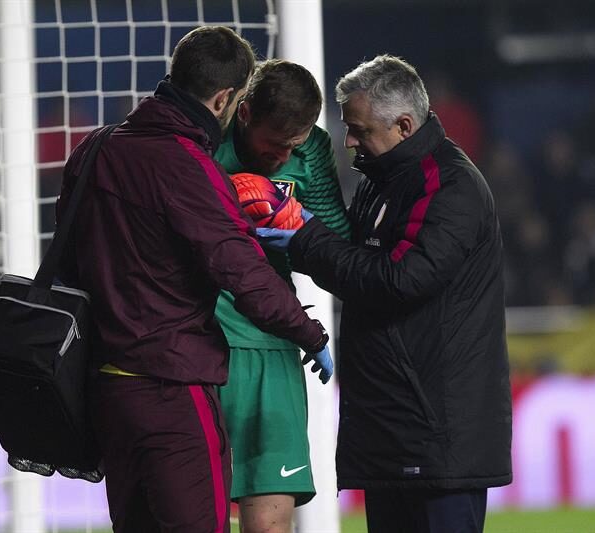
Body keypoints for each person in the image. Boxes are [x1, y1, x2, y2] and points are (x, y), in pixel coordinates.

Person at [55, 27, 332, 533]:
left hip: (107, 390)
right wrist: (309, 333)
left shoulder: (94, 149)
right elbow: (243, 271)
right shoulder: (188, 165)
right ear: (225, 99)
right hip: (172, 389)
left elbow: (69, 258)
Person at [258, 55, 512, 532]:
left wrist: (305, 236)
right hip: (390, 430)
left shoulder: (451, 186)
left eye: (359, 130)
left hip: (437, 437)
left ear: (403, 126)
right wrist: (297, 240)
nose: (349, 141)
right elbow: (356, 271)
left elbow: (399, 281)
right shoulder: (382, 182)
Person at [213, 59, 350, 532]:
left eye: (292, 145)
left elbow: (337, 249)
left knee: (271, 524)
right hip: (198, 344)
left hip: (272, 344)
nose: (282, 155)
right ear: (244, 113)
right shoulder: (203, 137)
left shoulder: (311, 148)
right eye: (274, 144)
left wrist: (298, 226)